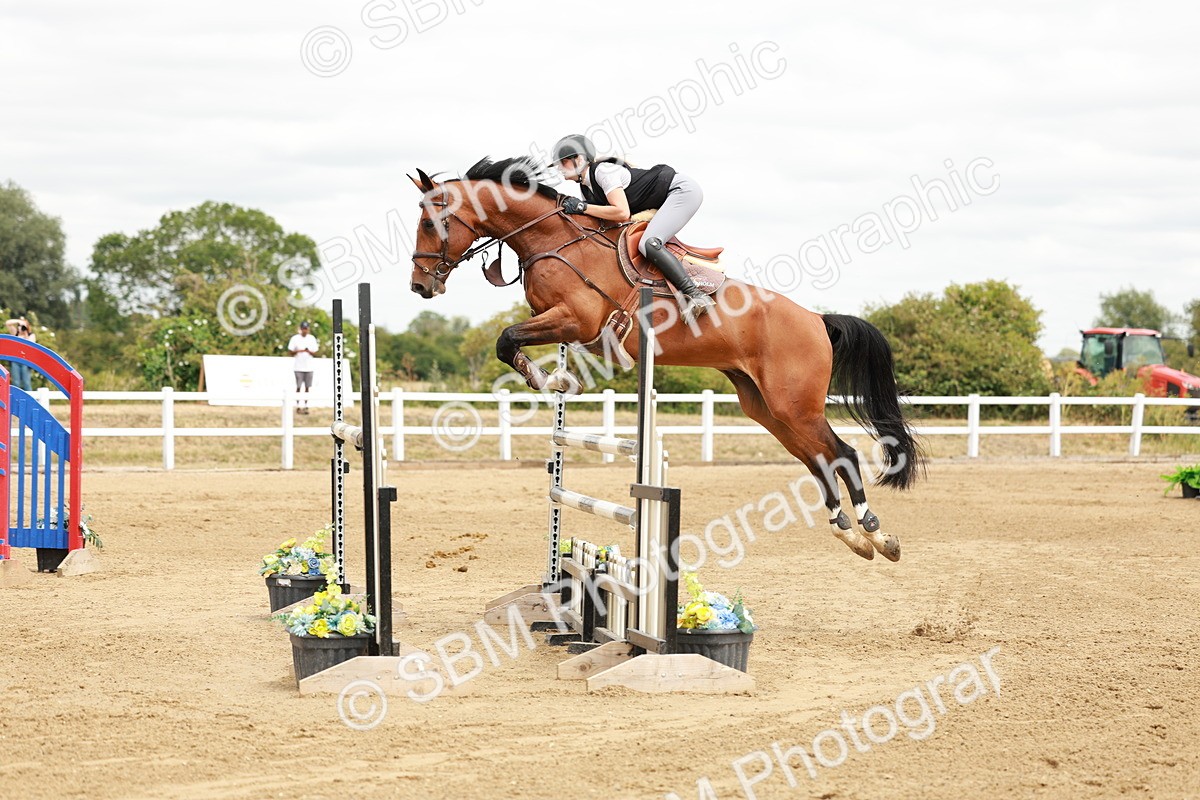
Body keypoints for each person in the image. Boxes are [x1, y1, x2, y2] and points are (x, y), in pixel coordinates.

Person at [551, 133, 715, 324]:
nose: (559, 169)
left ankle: (695, 295)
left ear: (578, 159)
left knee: (649, 244)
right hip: (665, 198)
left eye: (562, 163)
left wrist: (583, 207)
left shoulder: (603, 172)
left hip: (681, 191)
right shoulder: (586, 188)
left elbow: (621, 213)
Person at [287, 321, 319, 415]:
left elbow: (315, 352)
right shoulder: (295, 338)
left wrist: (308, 351)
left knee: (307, 387)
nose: (305, 330)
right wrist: (300, 351)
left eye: (306, 329)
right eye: (303, 329)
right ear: (300, 329)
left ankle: (306, 406)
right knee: (298, 386)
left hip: (309, 367)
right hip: (298, 367)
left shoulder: (312, 338)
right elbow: (290, 352)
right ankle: (297, 405)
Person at [3, 317, 35, 391]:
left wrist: (26, 334)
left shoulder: (31, 335)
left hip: (26, 361)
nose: (21, 328)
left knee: (26, 382)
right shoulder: (15, 334)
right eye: (19, 326)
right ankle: (15, 401)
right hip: (15, 361)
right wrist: (19, 321)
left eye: (23, 326)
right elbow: (8, 323)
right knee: (16, 383)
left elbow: (31, 346)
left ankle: (28, 400)